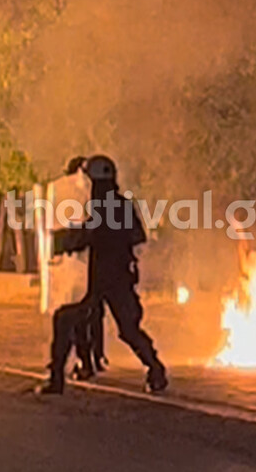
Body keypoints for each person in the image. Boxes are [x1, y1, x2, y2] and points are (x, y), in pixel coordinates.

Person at [40, 154, 168, 395]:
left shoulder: (96, 207)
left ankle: (57, 378)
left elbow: (87, 237)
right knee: (128, 329)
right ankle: (155, 369)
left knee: (66, 320)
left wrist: (68, 240)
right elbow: (138, 235)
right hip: (117, 276)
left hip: (96, 276)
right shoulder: (119, 204)